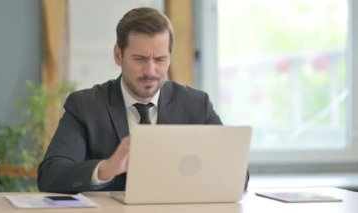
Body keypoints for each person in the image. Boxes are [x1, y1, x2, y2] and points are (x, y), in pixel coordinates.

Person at [38, 7, 248, 193]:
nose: (150, 71)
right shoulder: (85, 105)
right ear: (118, 55)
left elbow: (239, 176)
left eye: (160, 59)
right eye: (140, 59)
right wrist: (106, 169)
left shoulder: (196, 104)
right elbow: (50, 175)